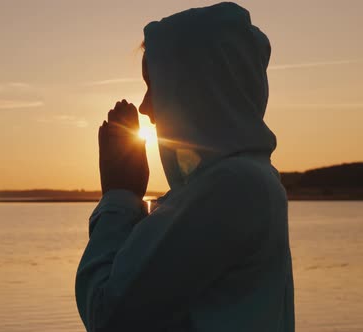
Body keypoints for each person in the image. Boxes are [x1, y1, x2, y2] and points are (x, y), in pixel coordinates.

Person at [75, 2, 295, 331]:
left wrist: (118, 196)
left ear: (198, 89)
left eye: (156, 86)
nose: (146, 107)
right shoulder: (248, 181)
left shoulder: (230, 189)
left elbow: (109, 316)